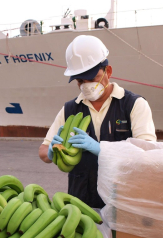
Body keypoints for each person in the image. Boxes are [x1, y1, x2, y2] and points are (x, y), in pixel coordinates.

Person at [38, 35, 156, 208]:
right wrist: (50, 152)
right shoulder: (70, 109)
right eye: (80, 80)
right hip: (80, 201)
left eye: (92, 79)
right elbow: (42, 151)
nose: (86, 85)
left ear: (108, 71)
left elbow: (148, 155)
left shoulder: (133, 105)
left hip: (122, 201)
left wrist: (102, 149)